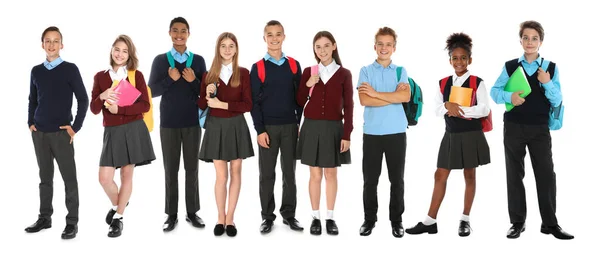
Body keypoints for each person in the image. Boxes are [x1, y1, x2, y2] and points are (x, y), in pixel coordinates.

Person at [490, 20, 574, 240]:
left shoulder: (551, 68)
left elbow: (557, 99)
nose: (530, 42)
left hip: (539, 128)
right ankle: (517, 223)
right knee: (514, 174)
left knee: (546, 174)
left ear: (541, 41)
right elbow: (495, 91)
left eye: (534, 38)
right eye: (526, 37)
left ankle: (550, 224)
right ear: (520, 40)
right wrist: (510, 97)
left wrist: (546, 82)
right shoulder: (510, 66)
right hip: (514, 127)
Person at [405, 32, 490, 237]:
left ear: (470, 59)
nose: (459, 61)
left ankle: (465, 219)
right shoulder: (443, 83)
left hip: (471, 134)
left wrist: (458, 109)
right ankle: (430, 220)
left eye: (463, 58)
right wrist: (446, 105)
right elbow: (435, 109)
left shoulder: (477, 82)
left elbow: (484, 109)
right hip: (450, 134)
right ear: (449, 60)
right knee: (440, 174)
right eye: (455, 58)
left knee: (469, 175)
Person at [25, 26, 89, 240]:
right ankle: (45, 218)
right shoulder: (36, 71)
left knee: (69, 179)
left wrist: (75, 127)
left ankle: (72, 222)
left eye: (55, 41)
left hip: (62, 134)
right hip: (40, 133)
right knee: (45, 178)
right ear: (42, 44)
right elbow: (33, 99)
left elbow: (83, 99)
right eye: (47, 41)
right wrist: (30, 122)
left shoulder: (70, 69)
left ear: (62, 45)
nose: (51, 45)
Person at [90, 34, 156, 238]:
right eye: (117, 49)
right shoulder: (100, 77)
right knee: (104, 178)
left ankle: (118, 218)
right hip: (112, 132)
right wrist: (102, 96)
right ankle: (119, 203)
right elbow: (93, 108)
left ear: (130, 55)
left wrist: (122, 110)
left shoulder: (136, 75)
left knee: (127, 174)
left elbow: (145, 105)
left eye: (125, 51)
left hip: (134, 128)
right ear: (111, 50)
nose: (120, 54)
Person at [148, 17, 207, 232]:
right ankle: (171, 215)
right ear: (169, 33)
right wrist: (169, 79)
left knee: (192, 169)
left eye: (183, 30)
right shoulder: (160, 61)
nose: (179, 34)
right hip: (169, 124)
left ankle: (192, 212)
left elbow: (206, 94)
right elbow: (150, 92)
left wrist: (194, 82)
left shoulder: (198, 61)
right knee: (170, 170)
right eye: (175, 30)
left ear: (189, 34)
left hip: (192, 123)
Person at [296, 31, 353, 236]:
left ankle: (329, 217)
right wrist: (307, 85)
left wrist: (347, 134)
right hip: (311, 127)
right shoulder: (308, 72)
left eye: (326, 46)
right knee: (314, 174)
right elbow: (300, 102)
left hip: (333, 128)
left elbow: (349, 106)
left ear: (334, 46)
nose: (322, 51)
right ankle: (314, 217)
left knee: (331, 173)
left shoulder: (344, 73)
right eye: (318, 47)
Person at [198, 32, 254, 237]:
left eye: (231, 46)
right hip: (216, 126)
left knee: (236, 171)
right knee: (221, 176)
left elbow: (247, 105)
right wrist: (206, 94)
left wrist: (222, 104)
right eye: (223, 46)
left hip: (236, 126)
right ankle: (220, 217)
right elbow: (202, 105)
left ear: (236, 49)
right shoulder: (209, 74)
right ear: (218, 49)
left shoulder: (244, 73)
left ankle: (230, 218)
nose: (228, 50)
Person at [356, 26, 411, 238]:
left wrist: (376, 93)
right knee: (370, 180)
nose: (384, 48)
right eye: (381, 43)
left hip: (396, 132)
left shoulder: (400, 71)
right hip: (372, 133)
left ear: (394, 48)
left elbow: (404, 98)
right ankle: (369, 219)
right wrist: (391, 96)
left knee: (397, 179)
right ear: (375, 46)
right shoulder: (365, 71)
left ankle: (396, 221)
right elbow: (364, 100)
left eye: (388, 44)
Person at [250, 20, 304, 234]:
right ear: (264, 38)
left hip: (290, 126)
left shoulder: (293, 65)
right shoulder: (258, 67)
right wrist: (260, 130)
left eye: (278, 34)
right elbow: (254, 103)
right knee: (266, 174)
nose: (274, 38)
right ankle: (267, 216)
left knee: (289, 173)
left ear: (284, 36)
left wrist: (298, 123)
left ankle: (289, 215)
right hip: (268, 129)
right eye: (270, 34)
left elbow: (300, 98)